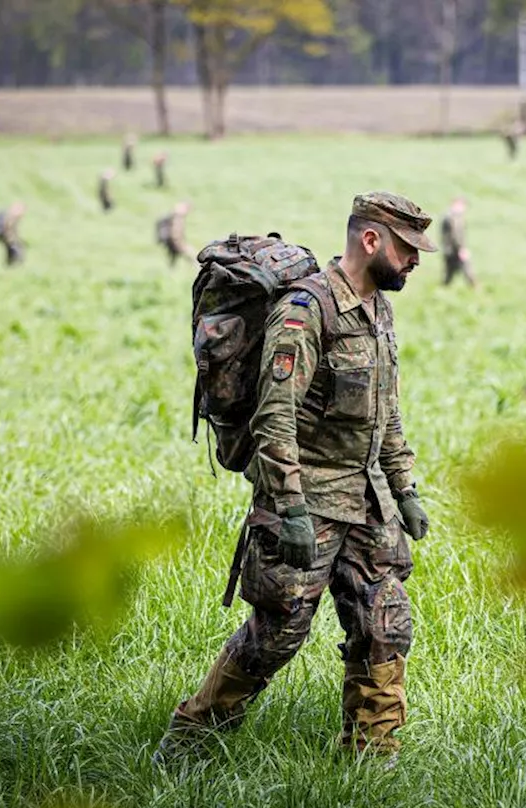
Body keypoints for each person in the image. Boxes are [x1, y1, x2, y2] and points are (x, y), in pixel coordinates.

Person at [155, 192, 435, 762]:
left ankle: (371, 757)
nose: (416, 261)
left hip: (369, 501)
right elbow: (273, 418)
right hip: (308, 499)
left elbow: (387, 412)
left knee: (384, 625)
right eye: (408, 249)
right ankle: (188, 741)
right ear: (370, 240)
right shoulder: (305, 312)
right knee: (278, 633)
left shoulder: (379, 307)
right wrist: (292, 508)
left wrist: (404, 487)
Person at [440, 196, 476, 288]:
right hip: (454, 250)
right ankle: (475, 289)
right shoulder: (452, 218)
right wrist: (461, 249)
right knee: (467, 270)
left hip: (449, 250)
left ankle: (443, 290)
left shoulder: (452, 216)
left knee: (449, 273)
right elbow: (455, 236)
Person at [155, 201, 191, 267]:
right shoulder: (178, 217)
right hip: (173, 241)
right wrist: (179, 243)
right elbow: (176, 232)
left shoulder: (173, 214)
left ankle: (171, 270)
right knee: (190, 255)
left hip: (170, 240)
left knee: (173, 256)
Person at [0, 202, 26, 266]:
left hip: (4, 234)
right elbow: (8, 228)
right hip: (4, 234)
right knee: (13, 248)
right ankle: (13, 263)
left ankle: (12, 263)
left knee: (13, 248)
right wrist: (11, 239)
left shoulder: (11, 216)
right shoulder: (11, 217)